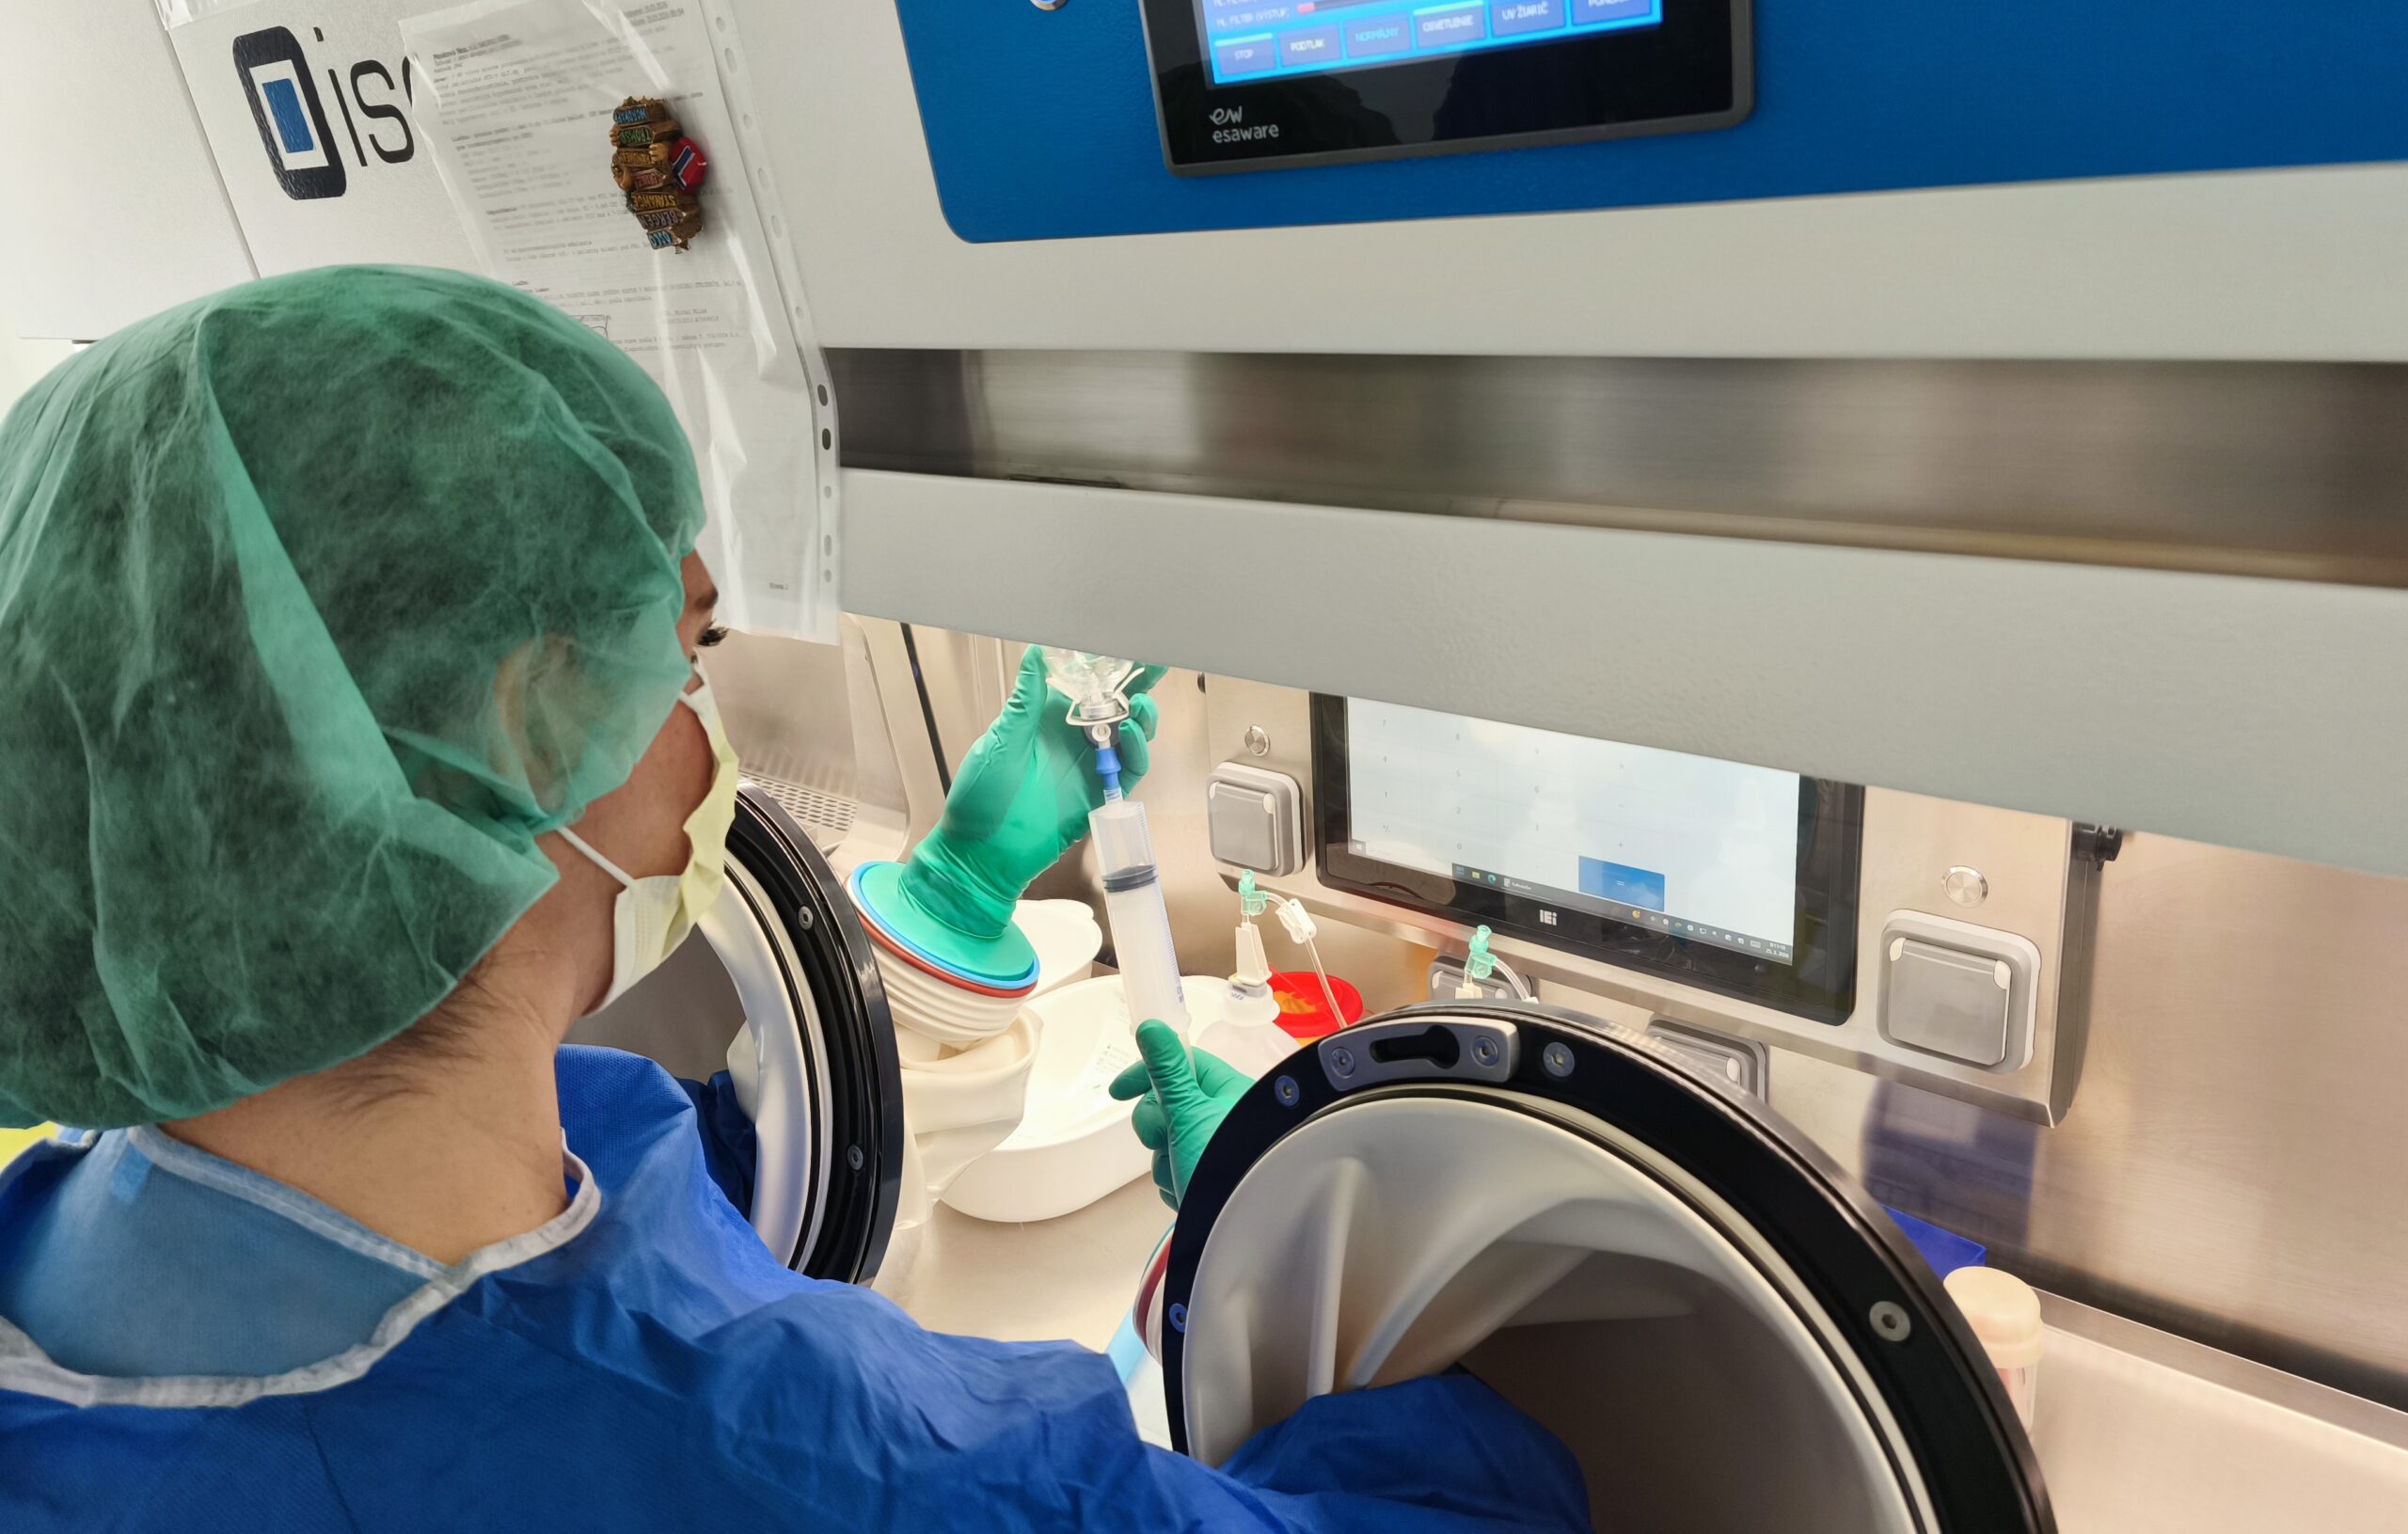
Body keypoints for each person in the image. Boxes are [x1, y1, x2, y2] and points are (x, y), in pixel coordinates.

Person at [0, 268, 1592, 1533]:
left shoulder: (84, 1245)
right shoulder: (805, 1471)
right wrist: (1318, 1212)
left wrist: (958, 895)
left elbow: (711, 1190)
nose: (707, 733)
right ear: (519, 724)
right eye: (684, 650)